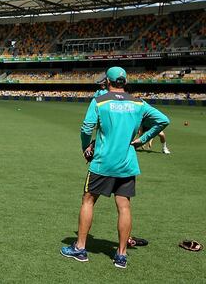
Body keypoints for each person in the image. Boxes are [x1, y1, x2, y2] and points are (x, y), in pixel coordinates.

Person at [61, 67, 169, 269]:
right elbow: (163, 120)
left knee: (88, 200)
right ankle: (121, 255)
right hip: (127, 163)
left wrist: (86, 147)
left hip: (102, 162)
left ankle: (80, 248)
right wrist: (143, 139)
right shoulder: (138, 103)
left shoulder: (100, 101)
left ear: (107, 82)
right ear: (125, 82)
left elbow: (86, 127)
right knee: (124, 206)